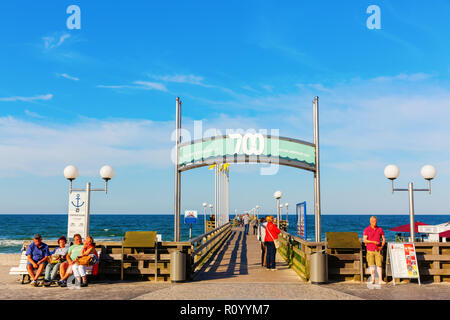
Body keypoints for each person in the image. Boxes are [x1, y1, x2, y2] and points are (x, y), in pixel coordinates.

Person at [363, 216, 386, 285]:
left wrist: (382, 246)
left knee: (379, 265)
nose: (374, 222)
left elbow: (383, 238)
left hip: (378, 250)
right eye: (373, 221)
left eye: (375, 221)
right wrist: (373, 242)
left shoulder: (380, 229)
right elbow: (364, 240)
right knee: (371, 265)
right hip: (370, 250)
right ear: (370, 222)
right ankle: (372, 279)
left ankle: (380, 280)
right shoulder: (367, 229)